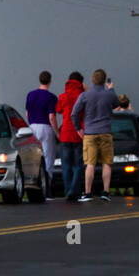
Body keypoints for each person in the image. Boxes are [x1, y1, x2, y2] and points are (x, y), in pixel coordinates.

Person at [72, 67, 119, 202]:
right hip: (105, 132)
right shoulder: (109, 94)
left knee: (90, 164)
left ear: (93, 80)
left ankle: (87, 193)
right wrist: (111, 89)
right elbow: (116, 104)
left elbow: (74, 113)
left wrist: (78, 129)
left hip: (90, 133)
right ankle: (105, 192)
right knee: (106, 163)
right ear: (104, 81)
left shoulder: (85, 95)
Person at [25, 72, 58, 200]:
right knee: (48, 158)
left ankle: (33, 187)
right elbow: (51, 117)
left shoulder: (30, 95)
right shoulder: (51, 97)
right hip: (46, 127)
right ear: (50, 81)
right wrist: (57, 132)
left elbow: (27, 113)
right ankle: (47, 189)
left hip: (32, 127)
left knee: (34, 159)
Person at [55, 71, 86, 202]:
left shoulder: (63, 96)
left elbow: (58, 110)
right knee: (78, 165)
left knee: (66, 165)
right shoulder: (82, 96)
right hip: (78, 134)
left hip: (65, 134)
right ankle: (75, 190)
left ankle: (68, 191)